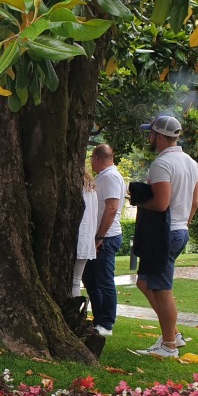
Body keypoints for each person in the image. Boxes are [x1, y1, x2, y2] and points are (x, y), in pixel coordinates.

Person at [134, 115, 198, 358]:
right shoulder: (191, 163)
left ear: (159, 136)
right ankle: (173, 334)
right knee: (144, 282)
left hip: (165, 232)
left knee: (162, 289)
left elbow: (161, 203)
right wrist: (184, 224)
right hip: (179, 230)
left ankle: (170, 345)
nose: (149, 138)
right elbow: (195, 202)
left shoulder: (162, 164)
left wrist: (140, 201)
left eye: (151, 134)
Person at [83, 144, 127, 336]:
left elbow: (112, 207)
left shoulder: (110, 177)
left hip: (107, 237)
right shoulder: (104, 176)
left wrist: (100, 236)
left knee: (104, 280)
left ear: (97, 158)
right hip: (100, 236)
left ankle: (107, 323)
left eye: (92, 159)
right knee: (90, 279)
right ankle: (99, 318)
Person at [73, 171, 99, 297]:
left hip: (76, 238)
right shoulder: (91, 189)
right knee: (75, 281)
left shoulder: (77, 188)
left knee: (73, 282)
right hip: (86, 238)